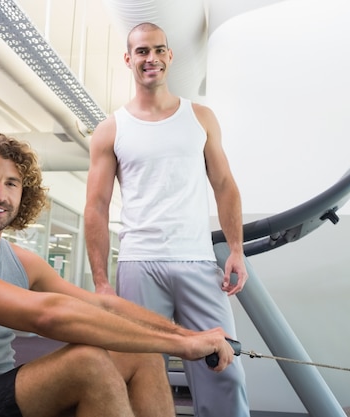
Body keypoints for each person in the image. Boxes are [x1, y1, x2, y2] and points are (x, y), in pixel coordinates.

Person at [0, 133, 236, 417]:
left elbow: (106, 307)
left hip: (0, 393)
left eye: (12, 183)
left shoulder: (22, 261)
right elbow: (47, 315)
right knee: (88, 363)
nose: (0, 194)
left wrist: (190, 333)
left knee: (140, 353)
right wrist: (179, 345)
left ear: (22, 194)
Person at [84, 23, 250, 417]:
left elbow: (225, 185)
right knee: (141, 372)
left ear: (170, 56)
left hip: (197, 261)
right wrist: (102, 283)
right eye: (141, 52)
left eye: (158, 50)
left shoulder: (201, 117)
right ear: (129, 59)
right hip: (139, 263)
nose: (151, 58)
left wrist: (237, 250)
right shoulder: (111, 129)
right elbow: (96, 206)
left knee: (223, 368)